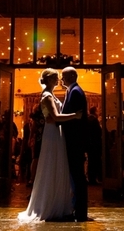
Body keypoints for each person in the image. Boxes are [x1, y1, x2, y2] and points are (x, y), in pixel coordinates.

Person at [17, 68, 83, 223]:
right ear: (49, 80)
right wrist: (75, 115)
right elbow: (55, 117)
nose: (58, 80)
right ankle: (50, 204)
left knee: (56, 166)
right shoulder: (47, 96)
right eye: (55, 78)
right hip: (52, 134)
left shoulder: (49, 95)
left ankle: (57, 201)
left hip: (54, 132)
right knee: (52, 165)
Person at [60, 67, 90, 222]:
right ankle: (77, 209)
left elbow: (76, 118)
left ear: (72, 76)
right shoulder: (72, 91)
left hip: (75, 140)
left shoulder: (76, 92)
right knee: (75, 175)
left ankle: (80, 211)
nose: (61, 79)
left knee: (77, 175)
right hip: (74, 140)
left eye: (63, 76)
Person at [85, 107, 103, 184]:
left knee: (91, 161)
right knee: (95, 161)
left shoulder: (87, 119)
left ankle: (91, 178)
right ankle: (94, 178)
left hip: (89, 143)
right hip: (95, 143)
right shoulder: (94, 120)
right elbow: (98, 131)